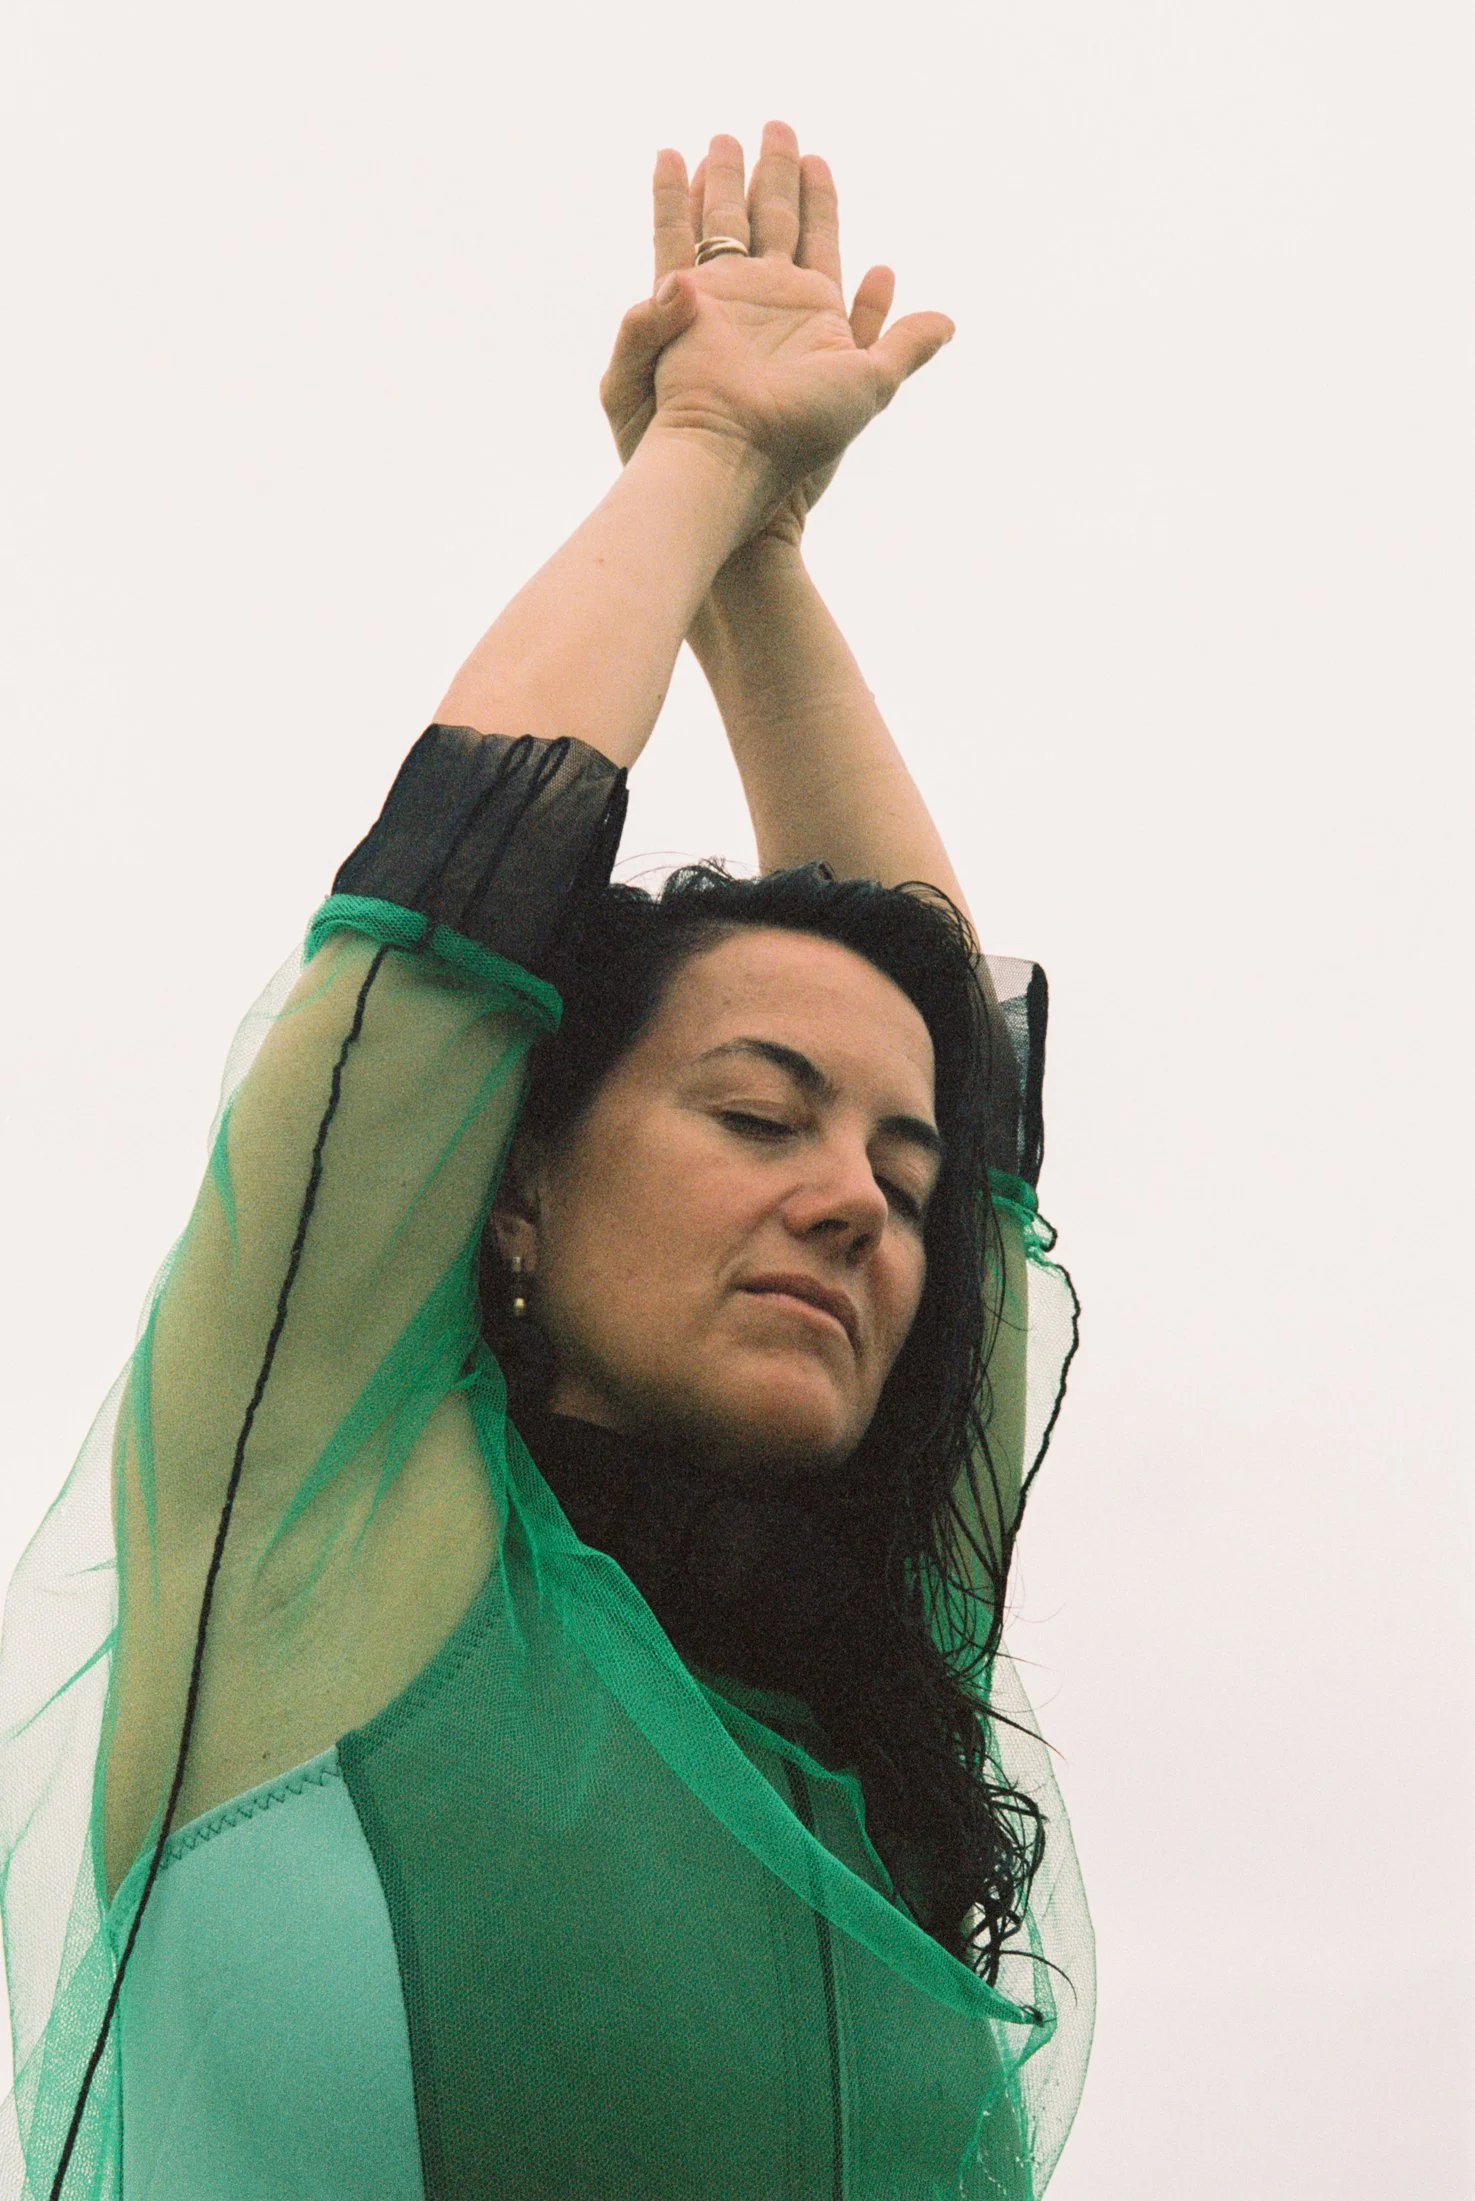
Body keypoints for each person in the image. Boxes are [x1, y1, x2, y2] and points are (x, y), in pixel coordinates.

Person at [0, 121, 1092, 2199]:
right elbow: (419, 948)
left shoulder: (881, 1677)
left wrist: (766, 567)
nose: (856, 1195)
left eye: (894, 1167)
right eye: (757, 1116)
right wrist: (696, 459)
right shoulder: (309, 1528)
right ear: (513, 1181)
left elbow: (978, 1131)